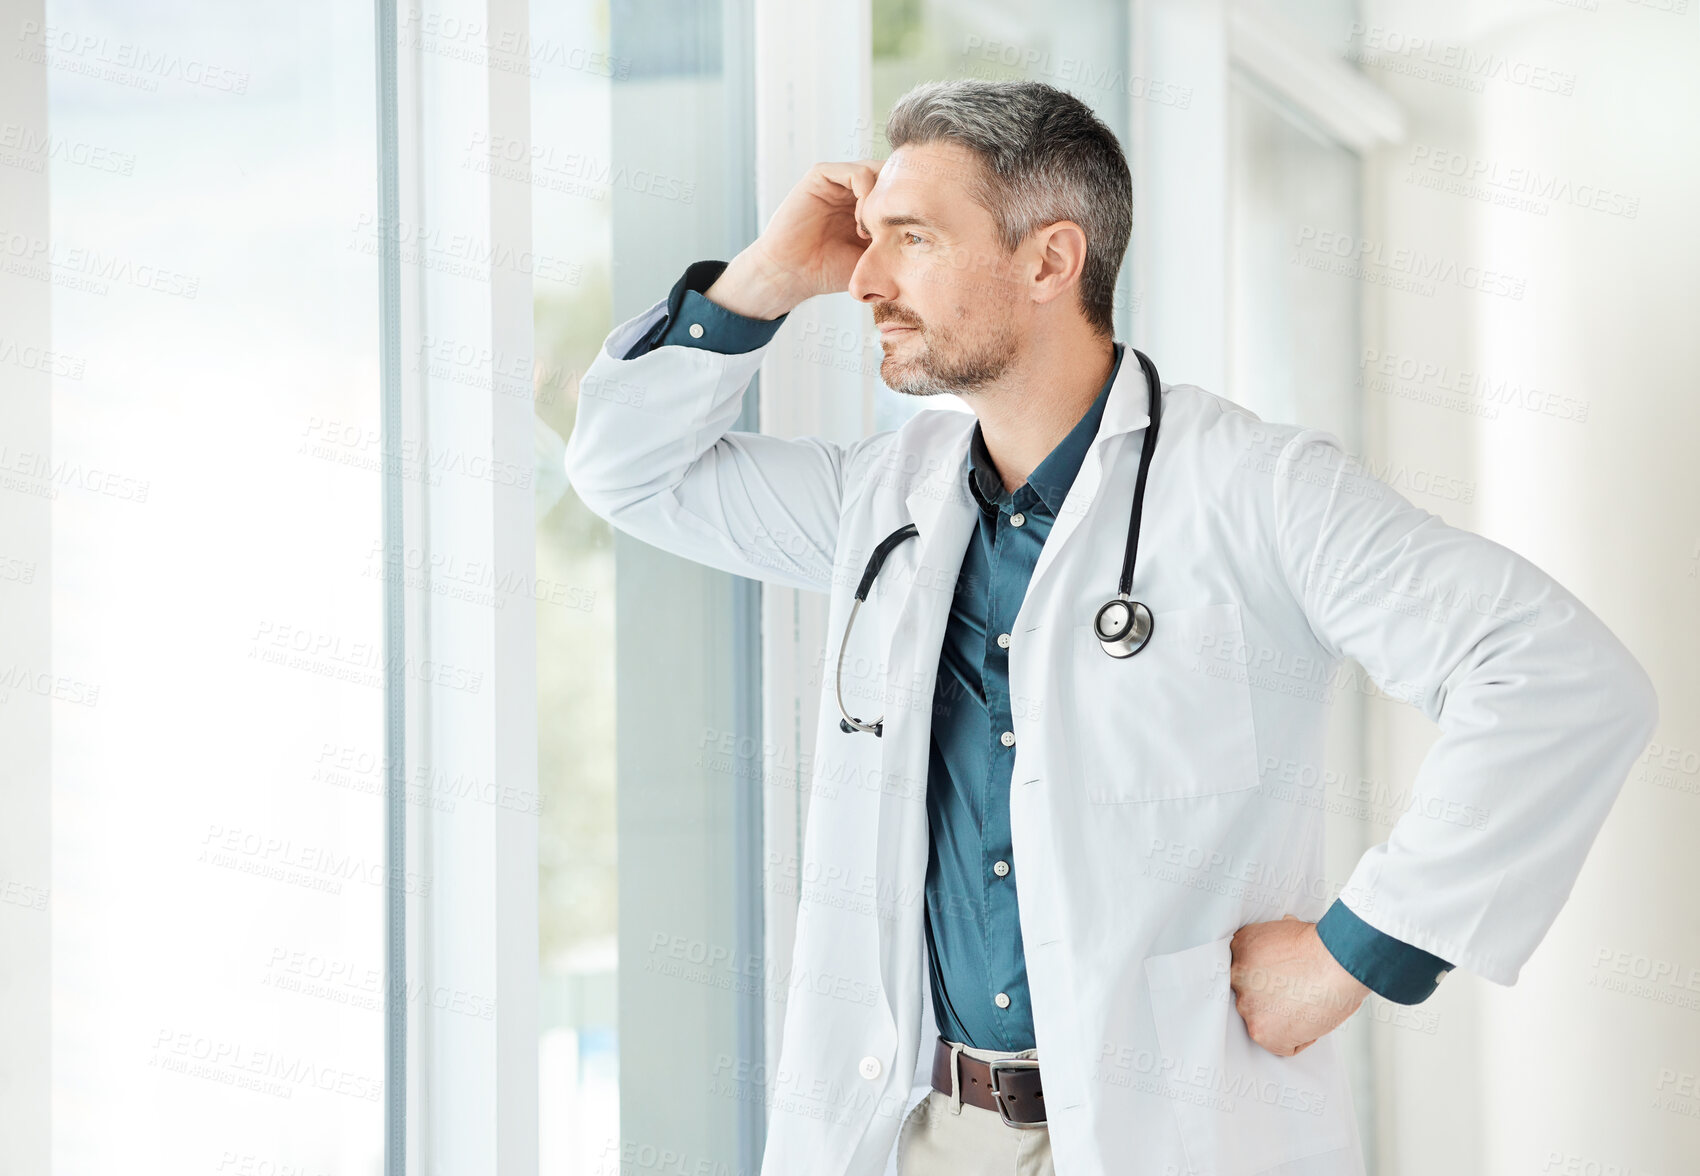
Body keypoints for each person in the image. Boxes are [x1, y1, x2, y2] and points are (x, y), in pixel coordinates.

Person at [563, 79, 1658, 1176]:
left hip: (1164, 1132)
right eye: (868, 240)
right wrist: (761, 278)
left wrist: (1355, 952)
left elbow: (1552, 676)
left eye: (911, 240)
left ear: (1048, 262)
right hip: (920, 1130)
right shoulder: (882, 501)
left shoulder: (1256, 490)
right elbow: (627, 470)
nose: (863, 279)